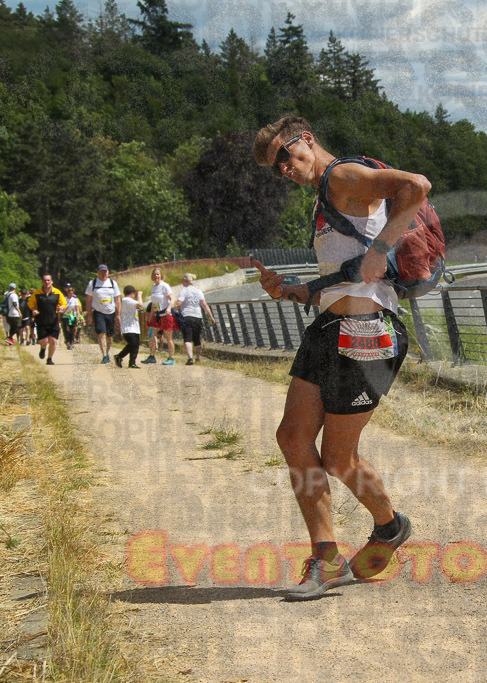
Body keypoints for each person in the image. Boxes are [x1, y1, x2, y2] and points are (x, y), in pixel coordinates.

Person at [252, 114, 427, 599]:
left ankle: (389, 526)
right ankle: (325, 559)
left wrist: (384, 247)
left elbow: (416, 186)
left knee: (338, 456)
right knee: (292, 436)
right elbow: (339, 280)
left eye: (286, 155)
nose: (284, 168)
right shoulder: (323, 200)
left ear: (306, 140)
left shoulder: (342, 176)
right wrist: (286, 290)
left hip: (367, 332)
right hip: (329, 327)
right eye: (275, 168)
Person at [173, 273, 216, 365]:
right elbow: (204, 305)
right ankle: (198, 358)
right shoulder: (198, 291)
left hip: (187, 316)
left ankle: (190, 358)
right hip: (197, 316)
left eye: (182, 281)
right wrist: (211, 316)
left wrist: (172, 311)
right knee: (197, 338)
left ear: (185, 281)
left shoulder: (184, 291)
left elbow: (178, 304)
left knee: (187, 338)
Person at [84, 265, 121, 364]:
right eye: (101, 272)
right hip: (98, 312)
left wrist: (118, 314)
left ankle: (108, 353)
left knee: (109, 336)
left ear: (108, 273)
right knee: (101, 332)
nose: (103, 274)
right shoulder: (93, 283)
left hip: (111, 312)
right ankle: (104, 354)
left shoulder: (113, 283)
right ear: (98, 273)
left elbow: (117, 299)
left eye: (105, 272)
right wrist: (89, 314)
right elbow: (88, 300)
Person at [27, 274, 66, 366]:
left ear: (51, 281)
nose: (47, 282)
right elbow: (30, 303)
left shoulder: (57, 292)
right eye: (45, 280)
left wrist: (61, 308)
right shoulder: (37, 293)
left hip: (53, 320)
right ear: (42, 281)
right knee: (43, 341)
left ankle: (49, 358)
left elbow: (64, 303)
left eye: (48, 280)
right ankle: (43, 348)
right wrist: (34, 310)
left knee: (52, 340)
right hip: (41, 321)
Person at [143, 267, 177, 365]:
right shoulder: (153, 287)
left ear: (161, 275)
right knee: (150, 334)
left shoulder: (165, 286)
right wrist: (150, 318)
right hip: (157, 315)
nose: (156, 276)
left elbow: (172, 298)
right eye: (154, 274)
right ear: (152, 277)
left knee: (168, 337)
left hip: (166, 315)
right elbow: (154, 304)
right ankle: (152, 356)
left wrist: (169, 307)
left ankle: (171, 358)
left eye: (158, 274)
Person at [114, 285, 143, 368]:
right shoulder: (127, 300)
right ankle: (119, 356)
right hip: (129, 328)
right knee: (132, 344)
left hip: (134, 327)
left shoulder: (127, 301)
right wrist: (139, 295)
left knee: (135, 345)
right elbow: (140, 304)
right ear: (133, 293)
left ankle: (132, 362)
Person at [61, 285, 82, 350]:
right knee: (66, 329)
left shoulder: (75, 299)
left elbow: (77, 308)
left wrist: (78, 316)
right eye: (70, 293)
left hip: (73, 316)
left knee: (72, 330)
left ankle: (71, 342)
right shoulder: (64, 299)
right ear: (67, 293)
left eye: (72, 293)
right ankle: (67, 341)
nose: (71, 294)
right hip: (65, 316)